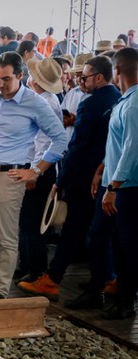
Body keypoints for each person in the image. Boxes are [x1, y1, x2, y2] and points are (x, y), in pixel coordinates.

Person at [0, 51, 67, 300]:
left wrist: (36, 170)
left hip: (8, 176)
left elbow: (60, 138)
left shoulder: (36, 103)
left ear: (20, 76)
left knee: (6, 239)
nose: (0, 83)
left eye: (6, 78)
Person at [19, 56, 122, 303]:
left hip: (84, 178)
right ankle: (106, 277)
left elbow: (77, 147)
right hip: (106, 173)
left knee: (73, 229)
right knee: (98, 232)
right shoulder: (117, 98)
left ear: (98, 77)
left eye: (84, 77)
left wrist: (61, 180)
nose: (80, 81)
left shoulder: (91, 104)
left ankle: (53, 280)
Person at [96, 48, 138, 318]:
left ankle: (127, 300)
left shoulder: (134, 104)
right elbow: (118, 144)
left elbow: (132, 149)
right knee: (115, 242)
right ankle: (121, 292)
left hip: (128, 188)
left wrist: (113, 187)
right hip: (117, 182)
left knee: (128, 245)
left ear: (117, 71)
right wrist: (102, 168)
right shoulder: (126, 100)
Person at [16, 58, 64, 283]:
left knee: (31, 223)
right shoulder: (46, 99)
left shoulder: (45, 103)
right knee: (26, 221)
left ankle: (35, 268)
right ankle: (26, 263)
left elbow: (45, 142)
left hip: (39, 170)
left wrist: (35, 170)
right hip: (36, 168)